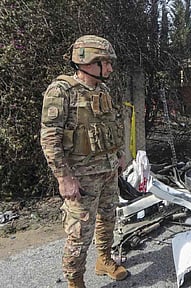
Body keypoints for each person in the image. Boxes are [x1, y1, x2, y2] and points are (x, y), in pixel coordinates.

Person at [40, 35, 128, 288]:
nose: (110, 68)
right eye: (105, 62)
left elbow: (111, 126)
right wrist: (63, 177)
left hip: (108, 170)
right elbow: (50, 137)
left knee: (108, 219)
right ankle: (75, 280)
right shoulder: (61, 91)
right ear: (87, 61)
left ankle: (104, 260)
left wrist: (119, 154)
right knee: (79, 233)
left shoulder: (103, 90)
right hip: (80, 177)